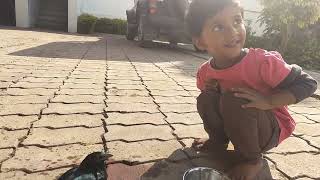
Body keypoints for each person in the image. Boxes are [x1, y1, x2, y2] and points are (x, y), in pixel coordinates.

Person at [184, 0, 318, 179]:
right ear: (200, 41)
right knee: (206, 98)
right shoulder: (205, 72)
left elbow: (308, 84)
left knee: (234, 99)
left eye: (237, 21)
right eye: (218, 27)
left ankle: (252, 160)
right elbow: (212, 104)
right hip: (238, 124)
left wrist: (269, 101)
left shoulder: (262, 62)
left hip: (268, 128)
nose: (232, 31)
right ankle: (218, 142)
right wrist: (214, 92)